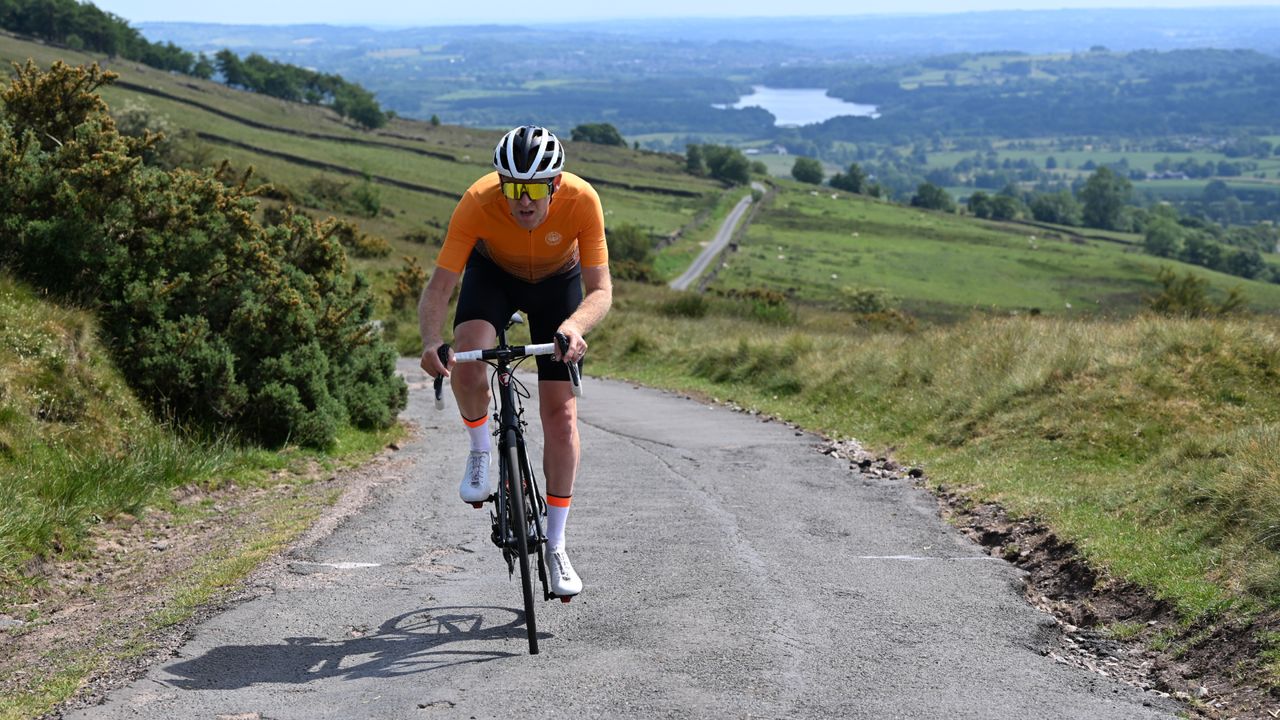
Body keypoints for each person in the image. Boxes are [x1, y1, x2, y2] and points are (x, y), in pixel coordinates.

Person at [418, 125, 612, 599]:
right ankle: (482, 450)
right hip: (495, 277)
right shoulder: (477, 201)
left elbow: (601, 290)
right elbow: (441, 286)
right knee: (469, 352)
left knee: (561, 416)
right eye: (511, 187)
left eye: (532, 189)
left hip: (556, 285)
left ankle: (557, 544)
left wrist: (575, 327)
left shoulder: (583, 201)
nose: (521, 201)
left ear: (555, 185)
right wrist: (429, 342)